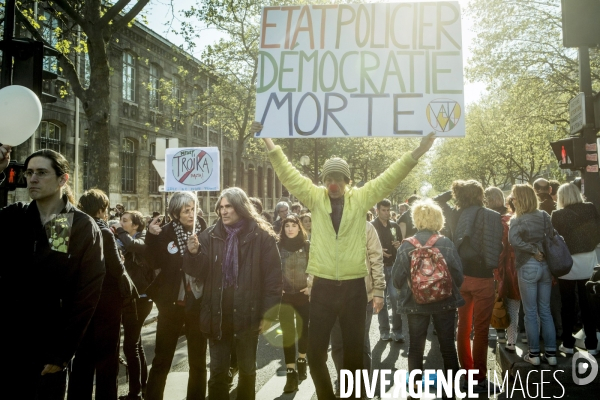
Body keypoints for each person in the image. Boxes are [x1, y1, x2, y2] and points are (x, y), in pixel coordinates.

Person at [255, 121, 435, 399]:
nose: (332, 184)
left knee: (353, 356)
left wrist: (419, 150)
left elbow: (391, 176)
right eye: (328, 179)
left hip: (353, 289)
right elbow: (288, 174)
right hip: (324, 287)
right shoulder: (315, 197)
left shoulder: (361, 198)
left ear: (348, 181)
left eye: (338, 178)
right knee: (315, 354)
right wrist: (268, 139)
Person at [0, 146, 105, 399]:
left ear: (62, 179)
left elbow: (86, 295)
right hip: (8, 346)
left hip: (48, 354)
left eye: (41, 173)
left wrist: (63, 353)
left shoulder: (77, 225)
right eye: (29, 172)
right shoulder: (16, 217)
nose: (32, 179)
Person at [183, 187, 282, 400]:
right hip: (217, 316)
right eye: (221, 207)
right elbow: (198, 272)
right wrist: (192, 254)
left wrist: (268, 314)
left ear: (241, 207)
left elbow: (273, 280)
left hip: (248, 315)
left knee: (247, 371)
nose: (223, 211)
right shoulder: (209, 235)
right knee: (218, 373)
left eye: (229, 206)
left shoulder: (262, 236)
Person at [436, 180, 503, 392]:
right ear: (480, 194)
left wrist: (456, 189)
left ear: (460, 195)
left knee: (462, 328)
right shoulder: (491, 215)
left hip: (461, 277)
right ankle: (480, 379)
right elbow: (497, 247)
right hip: (483, 278)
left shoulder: (454, 214)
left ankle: (467, 375)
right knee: (481, 330)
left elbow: (438, 200)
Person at [393, 199, 464, 399]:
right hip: (445, 302)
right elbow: (458, 276)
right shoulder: (446, 243)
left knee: (415, 348)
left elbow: (397, 280)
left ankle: (415, 392)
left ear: (416, 219)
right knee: (448, 347)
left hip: (415, 304)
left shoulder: (407, 245)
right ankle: (450, 392)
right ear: (438, 219)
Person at [144, 192, 207, 400]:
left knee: (197, 362)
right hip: (172, 305)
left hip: (197, 305)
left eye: (193, 209)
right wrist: (151, 237)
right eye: (185, 211)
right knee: (162, 359)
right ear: (175, 213)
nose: (191, 214)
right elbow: (153, 263)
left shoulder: (205, 230)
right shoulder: (165, 233)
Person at [68, 189, 128, 400]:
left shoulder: (67, 226)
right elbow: (117, 270)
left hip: (79, 301)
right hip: (106, 304)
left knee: (81, 358)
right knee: (107, 360)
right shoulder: (104, 232)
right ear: (102, 210)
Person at [330, 219, 385, 396]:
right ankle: (344, 381)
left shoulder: (366, 227)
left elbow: (376, 258)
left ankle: (362, 384)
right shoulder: (325, 226)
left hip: (362, 295)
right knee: (338, 343)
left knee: (360, 342)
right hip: (331, 296)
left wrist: (379, 290)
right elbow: (316, 259)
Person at [508, 184, 557, 366]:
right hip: (546, 265)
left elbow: (513, 240)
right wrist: (540, 250)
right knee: (545, 310)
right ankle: (551, 354)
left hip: (527, 264)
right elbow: (551, 235)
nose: (512, 200)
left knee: (530, 312)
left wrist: (531, 250)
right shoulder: (544, 215)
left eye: (513, 197)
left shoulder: (517, 219)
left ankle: (534, 354)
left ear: (520, 199)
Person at [551, 183, 599, 355]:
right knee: (588, 305)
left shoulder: (557, 214)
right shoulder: (590, 208)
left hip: (567, 263)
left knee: (568, 305)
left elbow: (553, 240)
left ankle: (568, 343)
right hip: (588, 260)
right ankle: (592, 344)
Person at [113, 210, 155, 400]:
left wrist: (116, 230)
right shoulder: (124, 242)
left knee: (130, 346)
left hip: (141, 298)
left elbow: (133, 245)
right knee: (135, 345)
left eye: (124, 221)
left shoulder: (144, 238)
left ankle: (134, 393)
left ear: (136, 225)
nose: (121, 224)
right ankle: (142, 386)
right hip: (135, 298)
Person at [277, 215, 311, 393]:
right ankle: (291, 374)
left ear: (299, 228)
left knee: (304, 330)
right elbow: (271, 268)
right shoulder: (278, 246)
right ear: (283, 229)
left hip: (303, 295)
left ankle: (302, 359)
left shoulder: (307, 246)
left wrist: (311, 285)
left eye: (293, 226)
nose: (290, 229)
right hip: (285, 297)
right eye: (287, 226)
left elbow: (315, 267)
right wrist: (276, 286)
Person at [485, 188, 520, 352]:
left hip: (498, 266)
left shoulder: (491, 220)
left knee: (497, 302)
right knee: (514, 305)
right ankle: (512, 340)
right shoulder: (512, 217)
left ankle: (500, 333)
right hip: (515, 266)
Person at [371, 199, 404, 342]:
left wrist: (398, 245)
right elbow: (365, 247)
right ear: (377, 211)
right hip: (378, 268)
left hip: (394, 266)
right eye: (383, 210)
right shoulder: (371, 226)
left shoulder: (394, 225)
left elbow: (401, 244)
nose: (386, 213)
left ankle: (397, 331)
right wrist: (378, 251)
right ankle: (384, 331)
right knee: (381, 300)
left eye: (388, 210)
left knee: (396, 299)